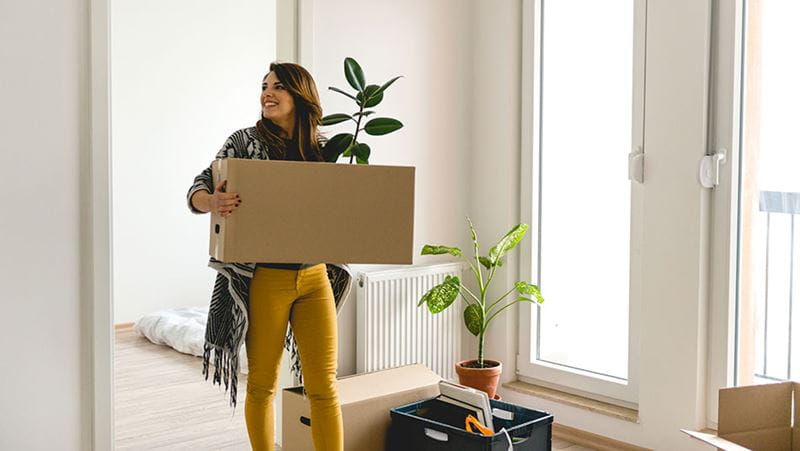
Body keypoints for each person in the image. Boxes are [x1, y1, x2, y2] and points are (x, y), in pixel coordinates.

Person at [186, 62, 352, 451]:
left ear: (301, 95)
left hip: (315, 277)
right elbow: (198, 186)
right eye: (264, 86)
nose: (267, 93)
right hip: (264, 280)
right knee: (262, 384)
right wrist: (212, 201)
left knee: (324, 385)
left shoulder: (322, 150)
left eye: (278, 86)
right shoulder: (243, 142)